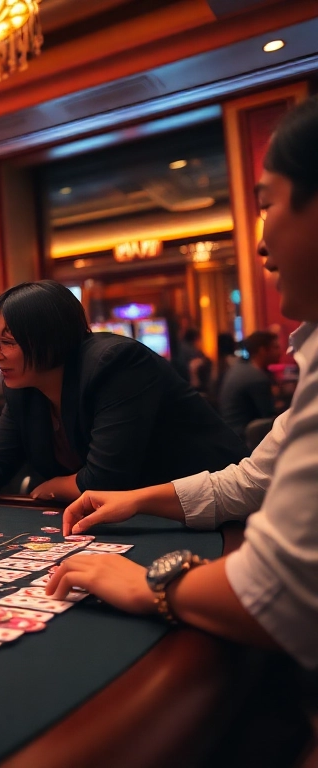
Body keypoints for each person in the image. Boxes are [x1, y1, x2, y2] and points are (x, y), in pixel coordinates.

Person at [48, 97, 318, 669]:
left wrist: (149, 582)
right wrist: (136, 501)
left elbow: (281, 592)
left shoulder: (118, 363)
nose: (263, 245)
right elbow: (249, 481)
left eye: (267, 203)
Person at [0, 280, 246, 508]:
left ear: (50, 339)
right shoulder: (23, 386)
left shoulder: (116, 364)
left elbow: (107, 479)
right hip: (135, 516)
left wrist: (58, 485)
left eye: (8, 342)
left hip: (210, 509)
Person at [218, 330, 281, 438]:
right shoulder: (256, 378)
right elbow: (271, 417)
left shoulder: (239, 367)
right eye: (275, 347)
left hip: (230, 435)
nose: (280, 352)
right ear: (262, 350)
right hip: (245, 441)